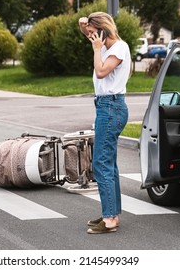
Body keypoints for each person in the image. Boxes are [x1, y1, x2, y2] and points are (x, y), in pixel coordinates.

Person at [78, 12, 130, 234]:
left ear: (102, 31)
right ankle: (113, 214)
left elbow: (100, 72)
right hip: (107, 107)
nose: (90, 37)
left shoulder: (117, 48)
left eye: (93, 33)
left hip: (111, 108)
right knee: (109, 163)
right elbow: (90, 33)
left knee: (100, 163)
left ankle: (109, 219)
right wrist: (84, 26)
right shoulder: (109, 46)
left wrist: (96, 49)